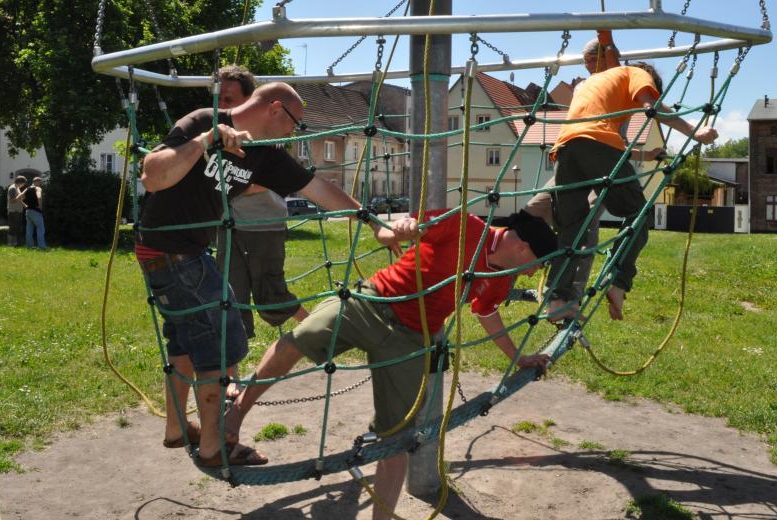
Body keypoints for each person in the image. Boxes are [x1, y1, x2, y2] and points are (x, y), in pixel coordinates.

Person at [227, 209, 557, 519]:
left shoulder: (501, 277)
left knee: (396, 440)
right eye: (538, 265)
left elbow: (486, 312)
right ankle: (234, 418)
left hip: (410, 339)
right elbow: (393, 231)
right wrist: (400, 229)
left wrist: (518, 358)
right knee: (297, 340)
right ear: (523, 248)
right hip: (373, 302)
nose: (534, 273)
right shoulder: (464, 225)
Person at [136, 81, 396, 468]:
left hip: (177, 254)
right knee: (220, 341)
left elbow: (320, 189)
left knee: (185, 341)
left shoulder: (266, 156)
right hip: (174, 254)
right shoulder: (205, 121)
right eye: (293, 122)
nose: (294, 132)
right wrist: (206, 141)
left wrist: (372, 221)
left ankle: (177, 429)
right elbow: (152, 177)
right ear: (275, 108)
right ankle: (213, 448)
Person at [546, 30, 718, 321]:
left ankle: (557, 301)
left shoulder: (597, 79)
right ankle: (617, 281)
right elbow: (652, 107)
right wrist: (694, 132)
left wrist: (606, 37)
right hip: (597, 142)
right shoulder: (635, 74)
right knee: (638, 215)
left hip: (563, 148)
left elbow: (610, 61)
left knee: (571, 229)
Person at [213, 66, 309, 335]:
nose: (221, 106)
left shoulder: (267, 137)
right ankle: (233, 354)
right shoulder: (218, 135)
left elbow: (260, 183)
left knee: (272, 297)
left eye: (229, 99)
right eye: (218, 99)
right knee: (230, 297)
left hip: (264, 226)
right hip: (229, 226)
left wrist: (225, 183)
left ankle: (318, 330)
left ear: (250, 100)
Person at [20, 177, 46, 250]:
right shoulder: (38, 188)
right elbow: (39, 197)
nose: (40, 184)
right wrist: (40, 206)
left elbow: (19, 198)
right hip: (36, 211)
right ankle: (41, 247)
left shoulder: (27, 189)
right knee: (40, 229)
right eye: (40, 182)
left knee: (29, 230)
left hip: (28, 211)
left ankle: (29, 246)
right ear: (37, 182)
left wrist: (25, 205)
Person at [6, 176, 27, 246]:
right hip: (13, 211)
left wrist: (25, 205)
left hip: (18, 210)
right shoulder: (12, 188)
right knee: (12, 228)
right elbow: (12, 201)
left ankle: (15, 243)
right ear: (20, 182)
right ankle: (10, 243)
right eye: (23, 183)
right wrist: (21, 195)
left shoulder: (17, 188)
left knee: (17, 228)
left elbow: (19, 199)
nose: (23, 185)